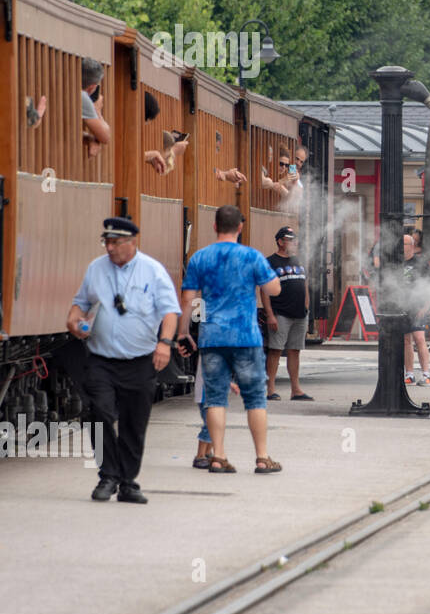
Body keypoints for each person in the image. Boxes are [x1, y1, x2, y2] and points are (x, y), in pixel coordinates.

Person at [66, 218, 180, 504]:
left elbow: (169, 312)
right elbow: (81, 302)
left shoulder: (152, 272)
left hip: (139, 360)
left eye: (115, 242)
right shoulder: (96, 268)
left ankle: (128, 482)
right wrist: (73, 318)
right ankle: (107, 476)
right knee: (99, 412)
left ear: (132, 242)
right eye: (107, 242)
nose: (110, 247)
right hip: (101, 359)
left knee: (134, 422)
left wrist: (164, 344)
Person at [180, 204, 283, 474]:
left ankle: (219, 456)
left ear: (215, 226)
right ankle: (262, 458)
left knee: (214, 398)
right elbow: (274, 288)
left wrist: (182, 332)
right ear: (240, 227)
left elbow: (188, 299)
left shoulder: (199, 258)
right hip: (245, 337)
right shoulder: (252, 256)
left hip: (211, 338)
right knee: (256, 399)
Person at [263, 227, 312, 401]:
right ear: (280, 242)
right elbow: (265, 290)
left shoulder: (298, 261)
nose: (293, 243)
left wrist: (306, 306)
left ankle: (296, 390)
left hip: (300, 313)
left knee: (295, 351)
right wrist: (270, 314)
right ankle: (270, 389)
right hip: (280, 312)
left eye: (294, 240)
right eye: (289, 240)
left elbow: (304, 284)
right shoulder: (271, 262)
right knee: (275, 350)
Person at [401, 231, 430, 381]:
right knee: (406, 340)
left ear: (411, 246)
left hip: (418, 306)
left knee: (419, 338)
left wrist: (426, 306)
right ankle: (410, 374)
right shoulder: (398, 264)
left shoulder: (421, 264)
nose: (402, 247)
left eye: (404, 244)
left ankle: (426, 374)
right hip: (403, 307)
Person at [81, 57, 111, 157]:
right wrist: (97, 110)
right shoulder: (83, 97)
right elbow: (105, 136)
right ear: (92, 87)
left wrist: (88, 138)